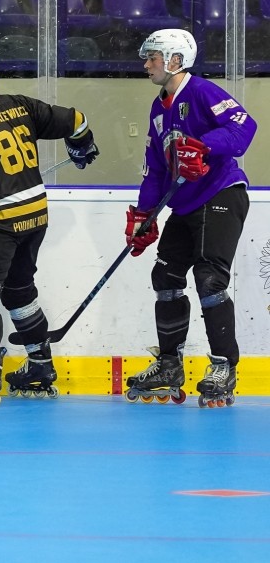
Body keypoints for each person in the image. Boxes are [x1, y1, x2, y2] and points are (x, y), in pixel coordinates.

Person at [0, 51, 99, 406]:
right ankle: (40, 365)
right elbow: (77, 120)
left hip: (2, 221)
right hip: (36, 216)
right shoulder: (21, 105)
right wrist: (82, 146)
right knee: (18, 290)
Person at [124, 29, 256, 408]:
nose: (146, 64)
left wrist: (204, 146)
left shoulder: (201, 91)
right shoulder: (158, 108)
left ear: (175, 61)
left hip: (221, 193)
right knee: (164, 278)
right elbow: (155, 168)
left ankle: (223, 366)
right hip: (184, 204)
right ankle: (169, 365)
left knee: (209, 278)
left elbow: (244, 127)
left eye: (153, 57)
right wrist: (145, 215)